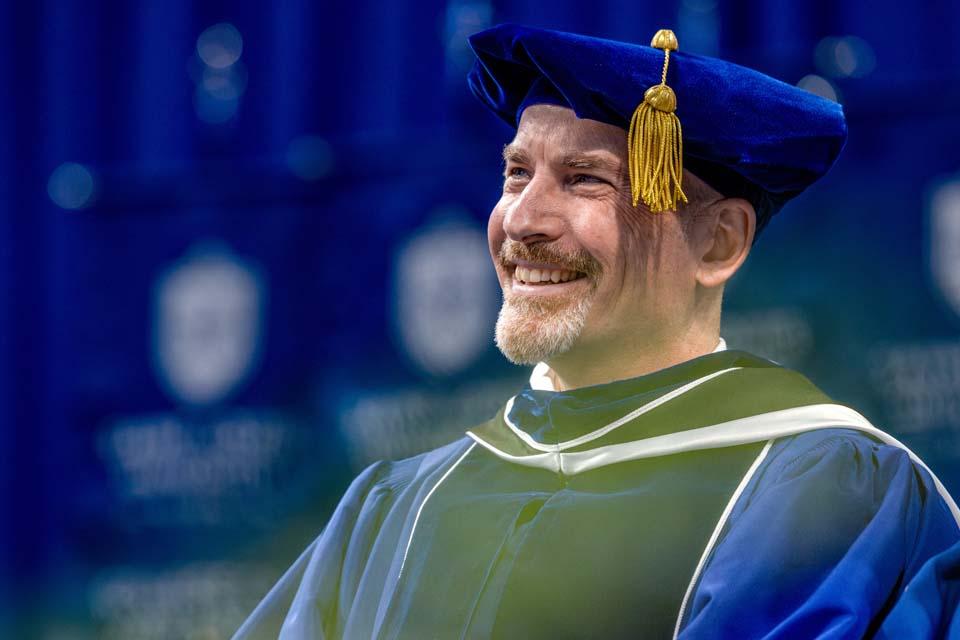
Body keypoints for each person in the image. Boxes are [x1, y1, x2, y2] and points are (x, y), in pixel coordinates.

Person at [233, 24, 960, 639]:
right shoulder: (395, 509)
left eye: (586, 180)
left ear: (718, 245)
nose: (522, 221)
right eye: (517, 174)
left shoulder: (828, 497)